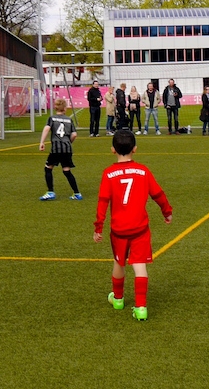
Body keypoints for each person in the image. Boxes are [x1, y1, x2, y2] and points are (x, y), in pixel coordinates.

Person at [93, 130, 173, 322]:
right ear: (135, 149)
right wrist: (167, 211)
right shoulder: (143, 171)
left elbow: (103, 201)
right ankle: (141, 308)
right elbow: (158, 194)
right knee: (139, 265)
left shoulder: (108, 173)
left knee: (119, 262)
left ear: (113, 150)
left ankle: (118, 299)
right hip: (139, 229)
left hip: (119, 230)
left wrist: (98, 227)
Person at [39, 98, 82, 201]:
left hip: (56, 148)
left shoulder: (52, 118)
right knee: (67, 170)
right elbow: (74, 134)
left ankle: (50, 192)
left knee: (48, 168)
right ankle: (77, 193)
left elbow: (47, 128)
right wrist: (68, 142)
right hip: (67, 148)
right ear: (65, 108)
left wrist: (42, 142)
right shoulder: (69, 120)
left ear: (56, 107)